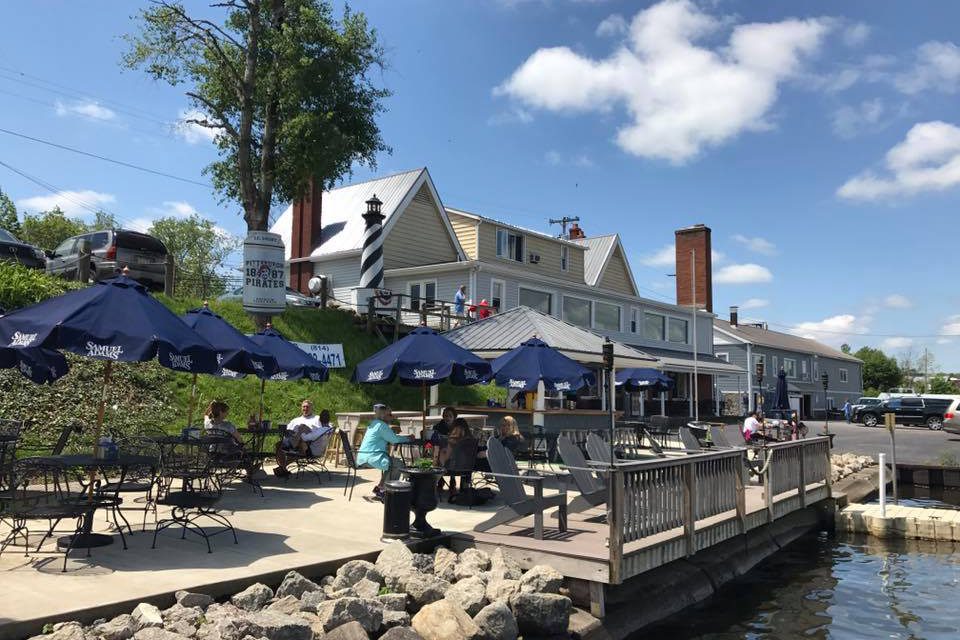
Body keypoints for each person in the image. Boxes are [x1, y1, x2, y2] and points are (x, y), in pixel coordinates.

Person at [357, 403, 411, 499]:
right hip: (371, 457)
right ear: (383, 415)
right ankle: (388, 491)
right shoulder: (382, 426)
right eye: (390, 414)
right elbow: (394, 440)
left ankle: (381, 488)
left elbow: (392, 437)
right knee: (397, 464)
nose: (392, 417)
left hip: (363, 456)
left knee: (392, 462)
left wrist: (406, 437)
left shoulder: (375, 423)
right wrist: (408, 439)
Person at [273, 400, 333, 477]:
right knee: (279, 445)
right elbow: (287, 432)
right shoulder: (295, 420)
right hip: (294, 442)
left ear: (311, 408)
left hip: (309, 445)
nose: (305, 408)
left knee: (301, 431)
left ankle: (283, 467)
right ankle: (283, 468)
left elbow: (327, 427)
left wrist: (308, 430)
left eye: (307, 407)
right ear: (301, 408)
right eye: (304, 407)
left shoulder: (317, 418)